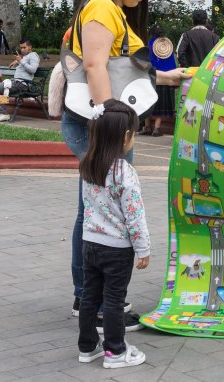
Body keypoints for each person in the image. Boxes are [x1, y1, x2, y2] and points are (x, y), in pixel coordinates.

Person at [62, 0, 190, 326]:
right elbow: (95, 65)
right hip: (101, 126)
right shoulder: (103, 7)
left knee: (95, 208)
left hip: (103, 124)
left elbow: (127, 68)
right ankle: (95, 303)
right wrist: (110, 122)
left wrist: (170, 76)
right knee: (102, 211)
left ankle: (87, 298)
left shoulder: (112, 8)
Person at [76, 99, 150, 369]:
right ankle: (116, 352)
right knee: (114, 300)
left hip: (90, 244)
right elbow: (134, 214)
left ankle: (87, 347)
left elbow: (87, 207)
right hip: (117, 248)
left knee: (89, 297)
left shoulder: (88, 165)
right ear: (125, 137)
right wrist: (143, 248)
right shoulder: (125, 172)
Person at [0, 39, 40, 122]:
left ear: (30, 47)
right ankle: (1, 112)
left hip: (23, 84)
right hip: (16, 82)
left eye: (24, 47)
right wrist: (17, 61)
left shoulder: (33, 56)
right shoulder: (25, 57)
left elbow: (33, 70)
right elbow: (24, 63)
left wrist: (20, 61)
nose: (22, 49)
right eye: (21, 48)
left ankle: (3, 114)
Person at [143, 25, 177, 137]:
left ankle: (147, 127)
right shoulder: (167, 46)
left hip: (151, 76)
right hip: (165, 78)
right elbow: (172, 64)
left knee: (147, 102)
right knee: (160, 104)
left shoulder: (149, 44)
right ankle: (156, 128)